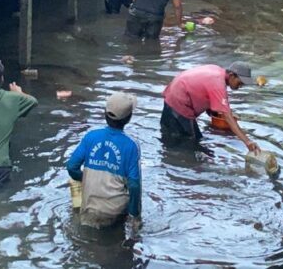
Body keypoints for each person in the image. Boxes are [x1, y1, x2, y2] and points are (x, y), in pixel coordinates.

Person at [66, 92, 142, 229]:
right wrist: (135, 216)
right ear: (128, 118)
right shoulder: (131, 145)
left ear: (104, 113)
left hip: (88, 208)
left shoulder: (91, 137)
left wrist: (86, 179)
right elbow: (134, 186)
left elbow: (72, 167)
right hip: (115, 213)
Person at [160, 62, 260, 153]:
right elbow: (228, 116)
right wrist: (247, 141)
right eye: (240, 82)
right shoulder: (218, 84)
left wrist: (216, 114)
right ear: (232, 76)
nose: (241, 86)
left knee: (195, 139)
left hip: (173, 97)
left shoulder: (216, 70)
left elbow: (203, 92)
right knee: (189, 144)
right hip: (179, 104)